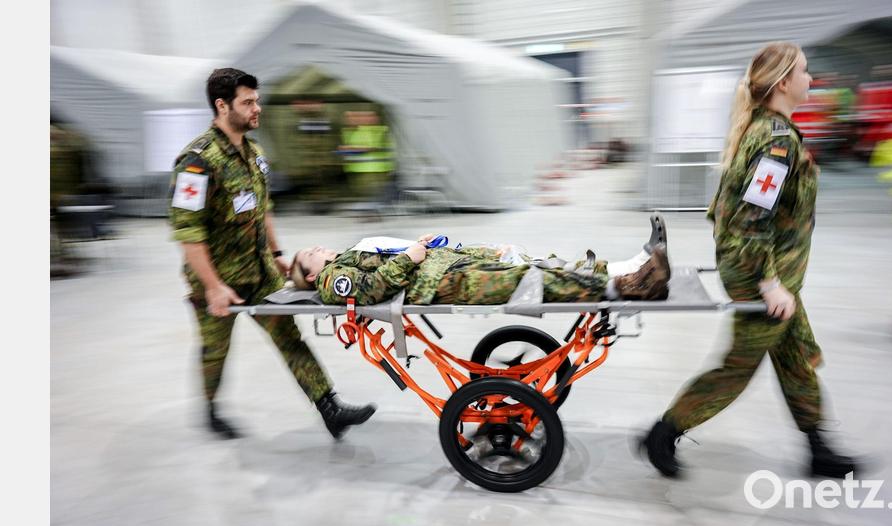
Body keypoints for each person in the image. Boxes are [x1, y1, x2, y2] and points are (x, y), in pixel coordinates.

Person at [640, 43, 861, 479]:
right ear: (782, 83)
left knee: (795, 356)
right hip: (761, 275)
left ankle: (819, 448)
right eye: (804, 71)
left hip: (772, 275)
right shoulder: (776, 142)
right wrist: (768, 282)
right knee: (739, 366)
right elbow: (749, 219)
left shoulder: (766, 129)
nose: (811, 79)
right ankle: (664, 432)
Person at [168, 68, 375, 440]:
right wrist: (213, 286)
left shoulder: (255, 153)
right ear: (222, 105)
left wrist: (277, 253)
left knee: (289, 337)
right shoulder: (197, 162)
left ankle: (329, 408)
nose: (256, 108)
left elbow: (264, 208)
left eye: (256, 100)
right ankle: (211, 410)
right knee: (216, 349)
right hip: (216, 279)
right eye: (247, 102)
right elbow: (188, 233)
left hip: (260, 271)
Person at [287, 222, 671, 306]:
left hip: (448, 264)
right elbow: (372, 291)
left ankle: (628, 265)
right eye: (310, 253)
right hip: (440, 283)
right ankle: (626, 286)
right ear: (310, 273)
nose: (317, 247)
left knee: (530, 260)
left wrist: (414, 248)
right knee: (529, 279)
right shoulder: (332, 280)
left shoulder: (351, 254)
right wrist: (408, 257)